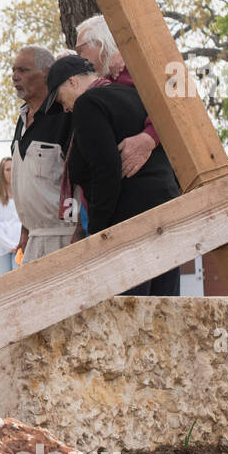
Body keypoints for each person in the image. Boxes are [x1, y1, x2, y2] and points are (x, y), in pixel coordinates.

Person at [46, 55, 181, 295]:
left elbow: (105, 170)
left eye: (60, 99)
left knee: (128, 310)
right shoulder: (133, 94)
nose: (65, 108)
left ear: (72, 83)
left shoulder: (88, 103)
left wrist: (98, 232)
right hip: (166, 213)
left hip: (128, 224)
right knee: (164, 308)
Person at [8, 45, 76, 262]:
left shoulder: (65, 117)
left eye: (23, 70)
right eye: (13, 71)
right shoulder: (21, 120)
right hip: (34, 240)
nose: (15, 77)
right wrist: (25, 229)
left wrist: (82, 232)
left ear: (47, 73)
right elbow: (27, 181)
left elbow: (81, 179)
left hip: (66, 237)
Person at [75, 14, 160, 180]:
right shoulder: (103, 83)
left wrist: (149, 137)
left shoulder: (135, 67)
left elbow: (171, 104)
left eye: (80, 50)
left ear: (100, 43)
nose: (78, 58)